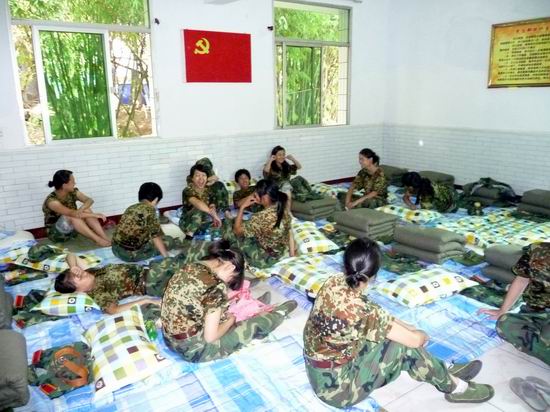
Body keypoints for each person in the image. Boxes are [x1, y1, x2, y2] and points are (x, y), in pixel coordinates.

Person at [303, 237, 494, 408]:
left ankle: (441, 369)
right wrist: (420, 335)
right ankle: (455, 387)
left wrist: (408, 327)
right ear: (374, 275)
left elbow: (375, 313)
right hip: (338, 389)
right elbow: (413, 340)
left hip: (323, 369)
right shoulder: (363, 312)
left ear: (346, 265)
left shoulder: (334, 281)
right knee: (404, 346)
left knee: (394, 336)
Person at [161, 240, 297, 362]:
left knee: (222, 311)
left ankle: (250, 305)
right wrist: (231, 320)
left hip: (169, 339)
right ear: (231, 268)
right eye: (231, 279)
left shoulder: (190, 267)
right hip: (194, 350)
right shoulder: (215, 286)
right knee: (249, 327)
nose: (227, 283)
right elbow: (210, 338)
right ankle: (278, 313)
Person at [479, 242, 549, 365]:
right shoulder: (537, 250)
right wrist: (502, 310)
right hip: (534, 312)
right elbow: (521, 280)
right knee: (505, 323)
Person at [54, 253, 183, 314]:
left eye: (75, 273)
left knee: (189, 256)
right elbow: (114, 310)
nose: (79, 274)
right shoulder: (97, 292)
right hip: (155, 282)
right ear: (78, 290)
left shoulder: (90, 272)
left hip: (154, 267)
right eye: (75, 279)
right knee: (192, 271)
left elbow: (70, 255)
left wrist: (72, 267)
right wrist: (146, 301)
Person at [224, 179, 295, 269]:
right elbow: (289, 231)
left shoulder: (260, 217)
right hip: (280, 251)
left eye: (256, 194)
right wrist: (292, 255)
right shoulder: (283, 209)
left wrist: (242, 207)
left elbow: (236, 231)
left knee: (230, 231)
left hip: (265, 259)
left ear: (265, 197)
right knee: (240, 222)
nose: (254, 196)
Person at [42, 170, 111, 247]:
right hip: (57, 234)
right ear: (64, 185)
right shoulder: (52, 201)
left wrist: (81, 209)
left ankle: (105, 238)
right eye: (72, 182)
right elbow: (72, 214)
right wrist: (94, 215)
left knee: (86, 209)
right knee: (72, 216)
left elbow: (89, 200)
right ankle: (98, 240)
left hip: (72, 229)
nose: (75, 183)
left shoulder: (73, 192)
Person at [112, 182, 177, 262]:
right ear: (156, 199)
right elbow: (156, 237)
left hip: (115, 249)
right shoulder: (150, 211)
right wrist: (167, 257)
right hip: (129, 255)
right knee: (169, 240)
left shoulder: (132, 207)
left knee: (156, 236)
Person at [179, 163, 226, 239]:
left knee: (224, 224)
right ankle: (188, 238)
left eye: (204, 175)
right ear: (192, 178)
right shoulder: (188, 190)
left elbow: (212, 205)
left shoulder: (209, 190)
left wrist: (214, 216)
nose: (201, 179)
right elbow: (198, 203)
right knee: (199, 209)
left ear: (207, 178)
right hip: (187, 222)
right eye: (197, 175)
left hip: (203, 220)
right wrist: (214, 215)